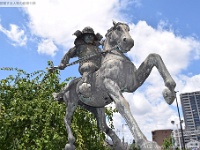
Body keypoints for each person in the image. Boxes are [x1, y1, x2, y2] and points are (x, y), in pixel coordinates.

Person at [58, 27, 103, 97]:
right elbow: (68, 54)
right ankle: (84, 86)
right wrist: (63, 63)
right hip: (86, 65)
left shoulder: (98, 49)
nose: (90, 37)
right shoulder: (79, 47)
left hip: (98, 67)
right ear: (83, 38)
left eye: (91, 36)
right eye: (87, 36)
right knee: (89, 66)